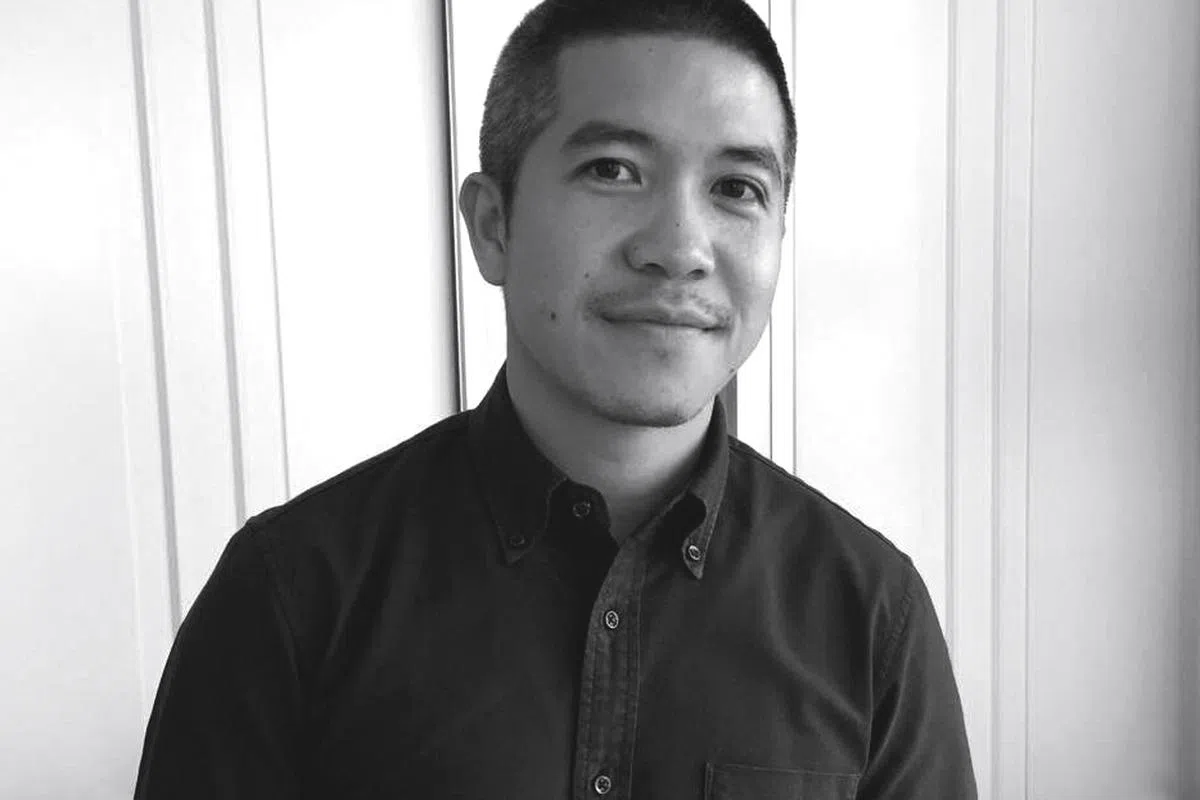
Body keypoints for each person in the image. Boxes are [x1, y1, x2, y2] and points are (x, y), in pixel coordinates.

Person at [134, 0, 977, 797]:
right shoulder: (292, 596)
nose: (680, 248)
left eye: (736, 188)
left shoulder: (872, 616)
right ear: (492, 225)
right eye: (613, 170)